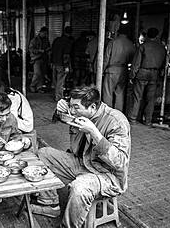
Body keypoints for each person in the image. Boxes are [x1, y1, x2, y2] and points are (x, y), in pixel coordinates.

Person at [30, 86, 131, 228]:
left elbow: (120, 162)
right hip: (82, 162)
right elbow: (61, 118)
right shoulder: (80, 114)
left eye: (76, 107)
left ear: (93, 106)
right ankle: (50, 204)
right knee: (43, 154)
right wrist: (59, 110)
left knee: (80, 187)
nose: (72, 111)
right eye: (71, 106)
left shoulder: (116, 121)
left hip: (107, 175)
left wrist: (95, 134)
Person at [128, 28, 166, 125]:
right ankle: (148, 120)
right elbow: (164, 64)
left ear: (147, 36)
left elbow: (136, 63)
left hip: (142, 73)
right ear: (157, 35)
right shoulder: (162, 48)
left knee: (137, 97)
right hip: (155, 74)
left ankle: (132, 119)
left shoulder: (142, 46)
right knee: (150, 99)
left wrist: (132, 76)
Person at [102, 26, 135, 112]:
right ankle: (118, 113)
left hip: (111, 70)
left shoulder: (113, 42)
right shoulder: (131, 44)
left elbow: (106, 58)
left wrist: (102, 70)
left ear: (118, 32)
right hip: (123, 70)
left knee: (108, 93)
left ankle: (107, 112)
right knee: (120, 93)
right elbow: (133, 60)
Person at [52, 26, 74, 101]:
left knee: (56, 81)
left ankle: (56, 94)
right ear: (70, 33)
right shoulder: (67, 42)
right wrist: (67, 66)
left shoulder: (56, 40)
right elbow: (66, 56)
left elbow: (52, 52)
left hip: (55, 63)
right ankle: (58, 97)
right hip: (61, 64)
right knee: (61, 81)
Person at [29, 26, 51, 93]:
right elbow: (31, 49)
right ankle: (32, 86)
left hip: (44, 58)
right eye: (44, 33)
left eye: (46, 33)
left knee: (42, 74)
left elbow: (48, 47)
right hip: (36, 59)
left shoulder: (46, 40)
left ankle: (39, 88)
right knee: (37, 73)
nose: (45, 35)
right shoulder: (34, 40)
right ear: (40, 32)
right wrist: (39, 51)